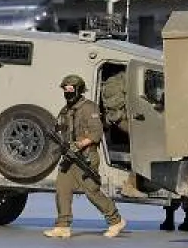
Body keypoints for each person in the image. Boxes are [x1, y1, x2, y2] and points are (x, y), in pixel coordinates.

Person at [44, 74, 127, 239]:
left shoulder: (89, 108)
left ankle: (115, 220)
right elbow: (61, 130)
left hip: (85, 157)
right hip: (69, 158)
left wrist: (80, 144)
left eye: (70, 89)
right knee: (62, 189)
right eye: (65, 89)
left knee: (92, 191)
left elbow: (96, 133)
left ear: (78, 90)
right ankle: (62, 226)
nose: (67, 93)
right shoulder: (65, 110)